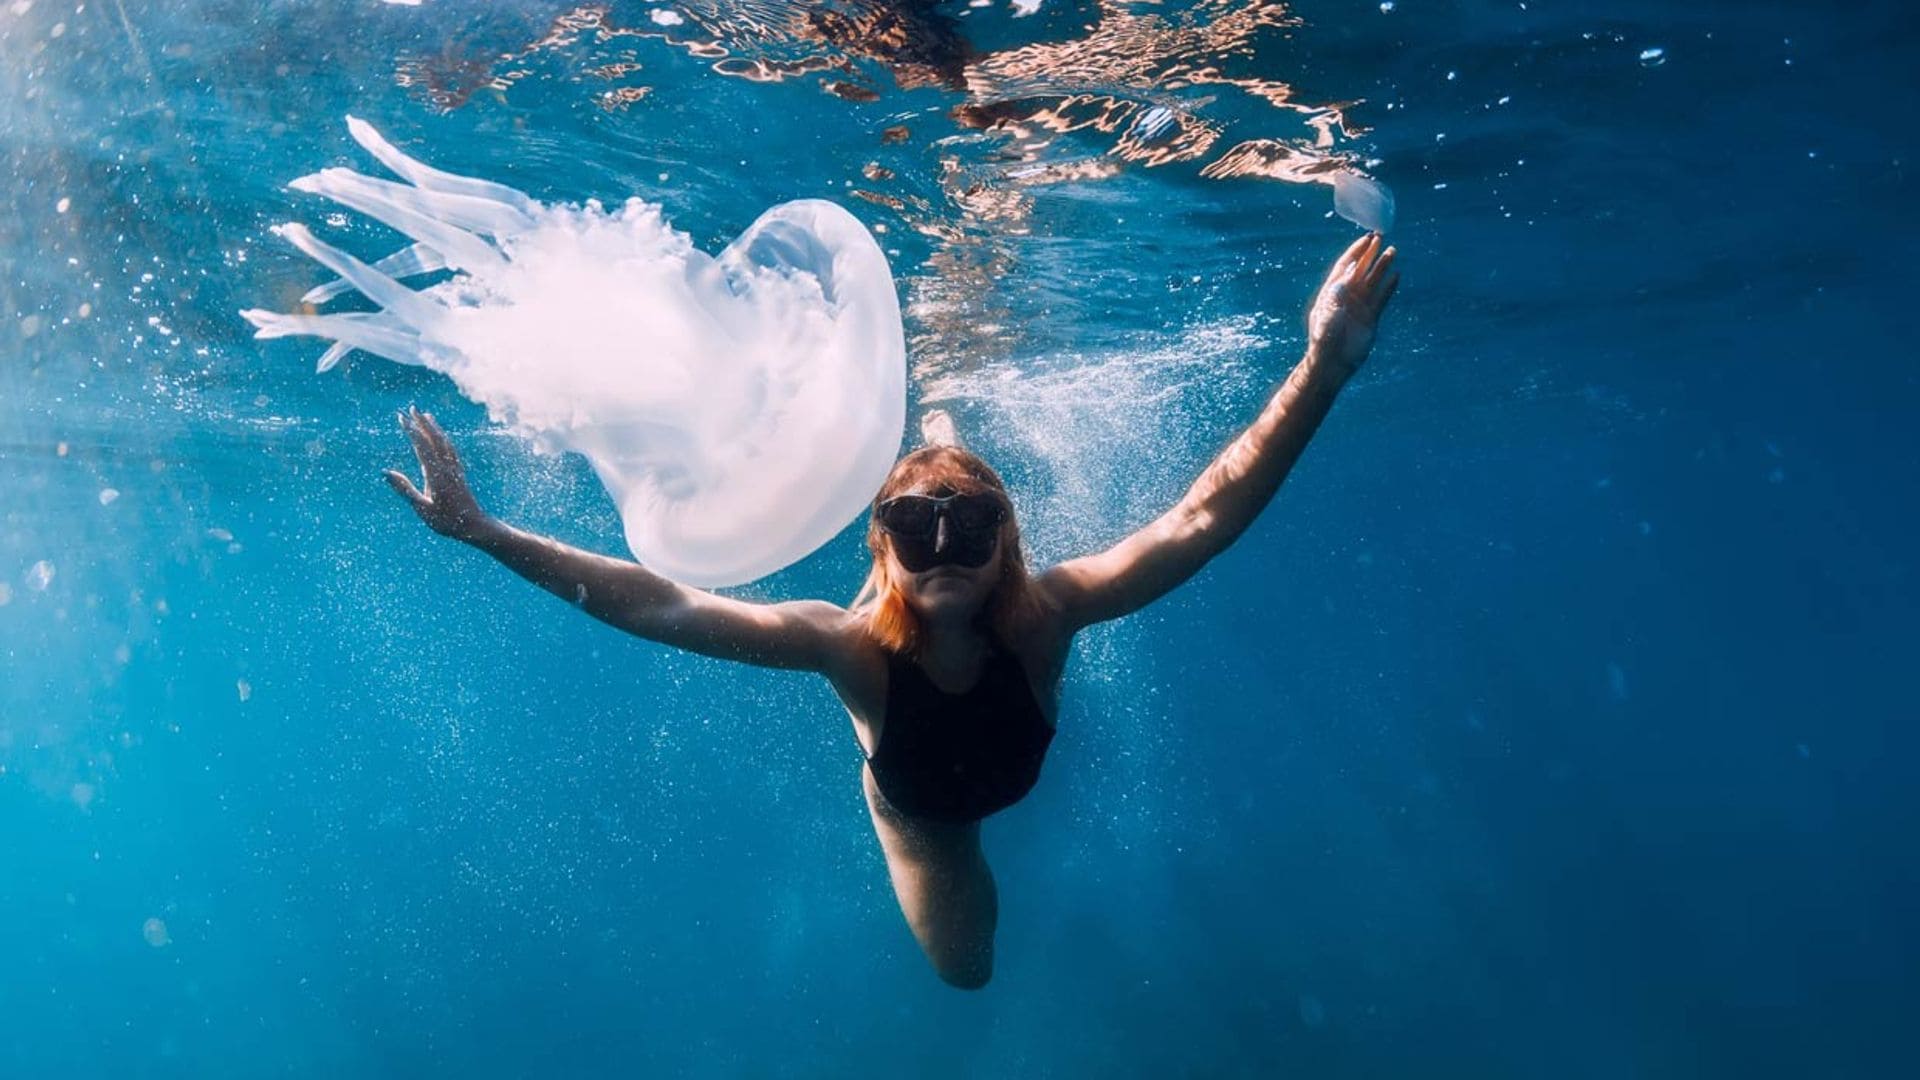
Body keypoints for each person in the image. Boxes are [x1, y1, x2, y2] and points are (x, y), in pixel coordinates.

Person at [385, 233, 1399, 989]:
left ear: (1009, 537)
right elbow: (663, 604)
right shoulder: (850, 650)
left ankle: (940, 426)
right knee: (968, 971)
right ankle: (930, 437)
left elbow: (1205, 516)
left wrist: (1325, 364)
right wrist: (486, 533)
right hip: (924, 818)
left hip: (975, 720)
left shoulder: (1047, 613)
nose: (947, 547)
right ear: (882, 551)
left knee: (968, 966)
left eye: (972, 525)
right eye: (918, 530)